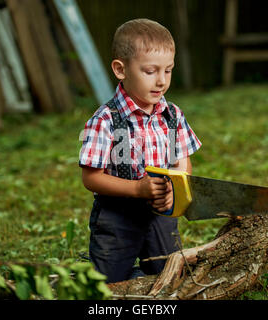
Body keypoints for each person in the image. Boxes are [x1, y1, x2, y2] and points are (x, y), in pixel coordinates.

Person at [79, 18, 202, 283]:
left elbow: (183, 163)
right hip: (116, 218)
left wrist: (174, 191)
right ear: (121, 70)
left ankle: (145, 280)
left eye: (168, 71)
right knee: (108, 283)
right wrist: (137, 189)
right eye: (150, 71)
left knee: (168, 276)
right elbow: (91, 178)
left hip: (161, 214)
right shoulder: (106, 119)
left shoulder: (173, 115)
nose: (161, 81)